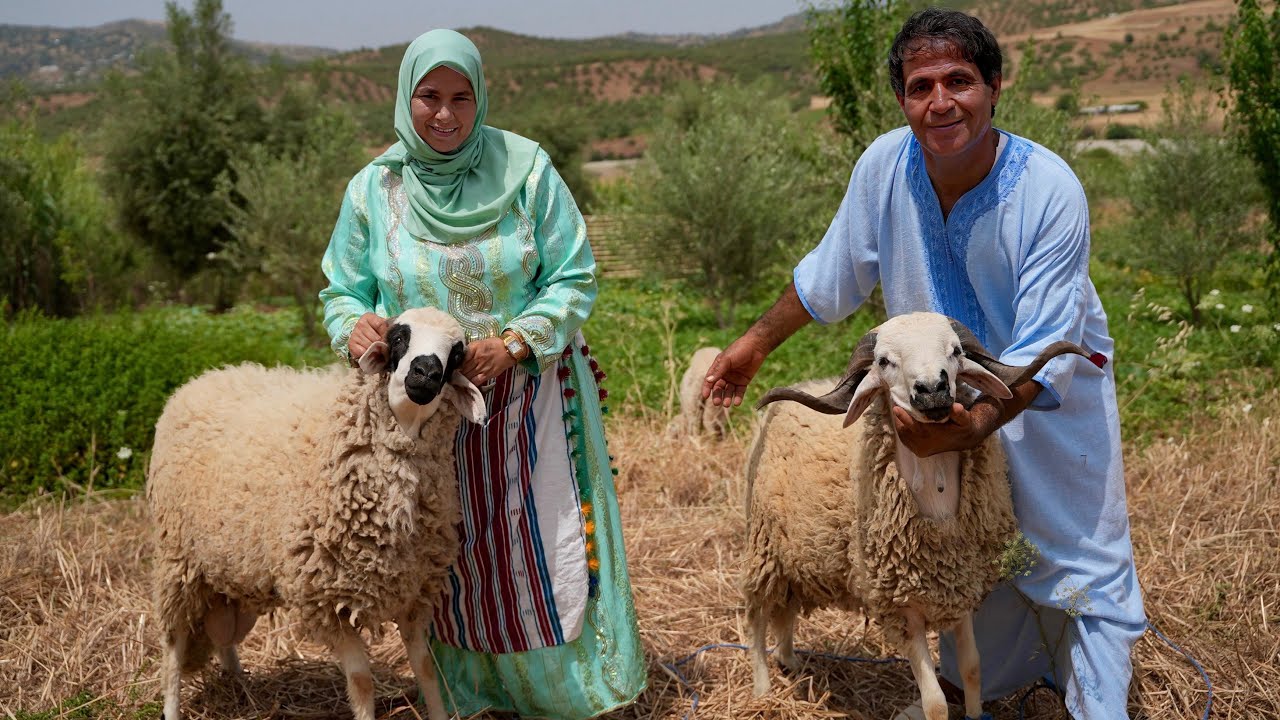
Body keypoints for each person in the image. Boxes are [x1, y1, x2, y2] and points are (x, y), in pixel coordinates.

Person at [704, 8, 1145, 719]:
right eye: (920, 86)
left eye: (959, 81)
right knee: (965, 556)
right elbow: (829, 277)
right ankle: (989, 691)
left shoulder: (1048, 189)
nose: (941, 102)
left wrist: (976, 424)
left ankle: (1098, 705)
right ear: (902, 98)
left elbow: (1042, 342)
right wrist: (753, 346)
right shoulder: (885, 166)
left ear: (995, 85)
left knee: (1079, 565)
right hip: (932, 400)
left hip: (1043, 409)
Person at [318, 29, 647, 720]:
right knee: (443, 550)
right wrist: (356, 326)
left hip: (530, 399)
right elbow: (341, 290)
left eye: (461, 97)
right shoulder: (374, 189)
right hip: (417, 416)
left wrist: (517, 341)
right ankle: (458, 692)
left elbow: (573, 275)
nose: (446, 115)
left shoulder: (526, 171)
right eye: (429, 97)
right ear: (406, 99)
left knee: (536, 543)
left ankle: (559, 694)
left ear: (481, 97)